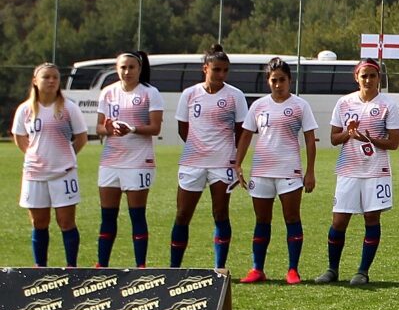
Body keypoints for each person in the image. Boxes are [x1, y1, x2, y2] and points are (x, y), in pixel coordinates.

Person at [234, 57, 318, 284]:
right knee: (262, 220)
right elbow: (245, 136)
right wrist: (237, 163)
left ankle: (293, 269)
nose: (278, 84)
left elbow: (310, 140)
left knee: (292, 218)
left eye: (282, 80)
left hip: (289, 171)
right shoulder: (258, 105)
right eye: (274, 80)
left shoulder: (300, 106)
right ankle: (257, 269)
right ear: (268, 81)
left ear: (290, 80)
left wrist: (310, 172)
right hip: (261, 172)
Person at [317, 59, 398, 286]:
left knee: (372, 218)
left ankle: (362, 271)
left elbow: (394, 142)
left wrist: (370, 139)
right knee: (339, 220)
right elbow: (334, 139)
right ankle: (332, 269)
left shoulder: (387, 105)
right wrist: (349, 134)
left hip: (376, 171)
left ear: (378, 78)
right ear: (357, 77)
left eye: (373, 76)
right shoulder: (344, 103)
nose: (368, 80)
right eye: (364, 76)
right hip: (348, 170)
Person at [170, 45, 248, 269]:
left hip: (222, 164)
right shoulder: (190, 94)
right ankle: (174, 267)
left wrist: (236, 160)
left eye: (225, 70)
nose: (221, 75)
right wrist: (199, 147)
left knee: (220, 213)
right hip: (192, 163)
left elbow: (242, 132)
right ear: (206, 69)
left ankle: (219, 268)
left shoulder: (235, 96)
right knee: (183, 214)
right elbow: (183, 128)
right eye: (216, 70)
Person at [12, 63, 87, 267]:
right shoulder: (25, 109)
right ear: (35, 81)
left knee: (66, 222)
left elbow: (81, 138)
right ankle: (40, 268)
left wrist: (65, 157)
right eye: (46, 77)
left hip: (64, 174)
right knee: (39, 223)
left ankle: (72, 267)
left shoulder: (68, 108)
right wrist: (35, 156)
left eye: (55, 77)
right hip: (34, 175)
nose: (52, 81)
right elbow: (19, 137)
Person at [94, 51, 162, 267]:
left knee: (137, 215)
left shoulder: (150, 93)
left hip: (138, 162)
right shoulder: (108, 92)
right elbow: (98, 127)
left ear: (139, 69)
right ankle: (102, 264)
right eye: (123, 67)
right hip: (110, 161)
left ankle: (140, 265)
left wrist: (131, 128)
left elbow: (155, 127)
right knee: (107, 216)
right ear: (117, 68)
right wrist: (108, 129)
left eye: (132, 67)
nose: (127, 71)